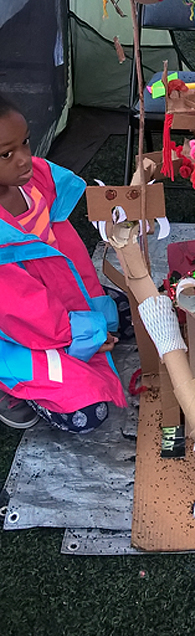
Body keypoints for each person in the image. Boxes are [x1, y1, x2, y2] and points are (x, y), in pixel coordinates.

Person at [0, 96, 126, 431]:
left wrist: (95, 307)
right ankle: (11, 388)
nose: (25, 159)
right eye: (6, 154)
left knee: (128, 314)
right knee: (88, 412)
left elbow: (71, 256)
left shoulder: (38, 183)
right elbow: (20, 310)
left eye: (25, 141)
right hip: (16, 332)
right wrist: (78, 333)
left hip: (54, 309)